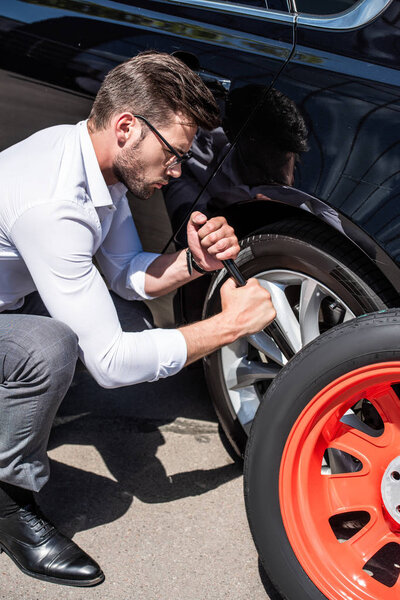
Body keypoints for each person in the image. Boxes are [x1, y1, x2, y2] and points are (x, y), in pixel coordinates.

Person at [0, 51, 275, 587]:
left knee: (131, 323)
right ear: (127, 128)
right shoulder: (54, 203)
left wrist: (195, 262)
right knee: (51, 347)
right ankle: (9, 503)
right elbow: (110, 365)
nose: (175, 171)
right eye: (173, 154)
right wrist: (230, 326)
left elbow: (125, 271)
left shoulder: (95, 160)